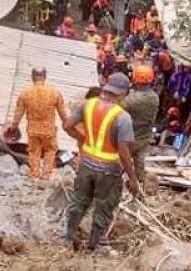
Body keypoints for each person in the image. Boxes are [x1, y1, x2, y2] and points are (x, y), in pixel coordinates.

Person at [62, 73, 141, 252]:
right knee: (104, 206)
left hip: (86, 164)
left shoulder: (87, 105)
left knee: (79, 201)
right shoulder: (123, 117)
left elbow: (67, 126)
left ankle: (67, 238)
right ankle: (95, 244)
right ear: (123, 94)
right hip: (109, 171)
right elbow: (123, 152)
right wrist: (133, 179)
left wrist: (83, 138)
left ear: (106, 87)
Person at [4, 68, 70, 180]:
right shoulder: (54, 92)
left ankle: (34, 175)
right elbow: (63, 114)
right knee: (50, 150)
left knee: (34, 151)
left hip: (33, 130)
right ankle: (47, 174)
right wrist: (67, 125)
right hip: (49, 130)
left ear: (32, 76)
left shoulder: (25, 93)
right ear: (45, 76)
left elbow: (18, 114)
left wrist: (13, 128)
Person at [120, 63, 160, 185]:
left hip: (130, 137)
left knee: (119, 163)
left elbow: (118, 111)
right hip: (145, 136)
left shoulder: (132, 99)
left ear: (135, 78)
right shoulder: (155, 97)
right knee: (140, 164)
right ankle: (140, 189)